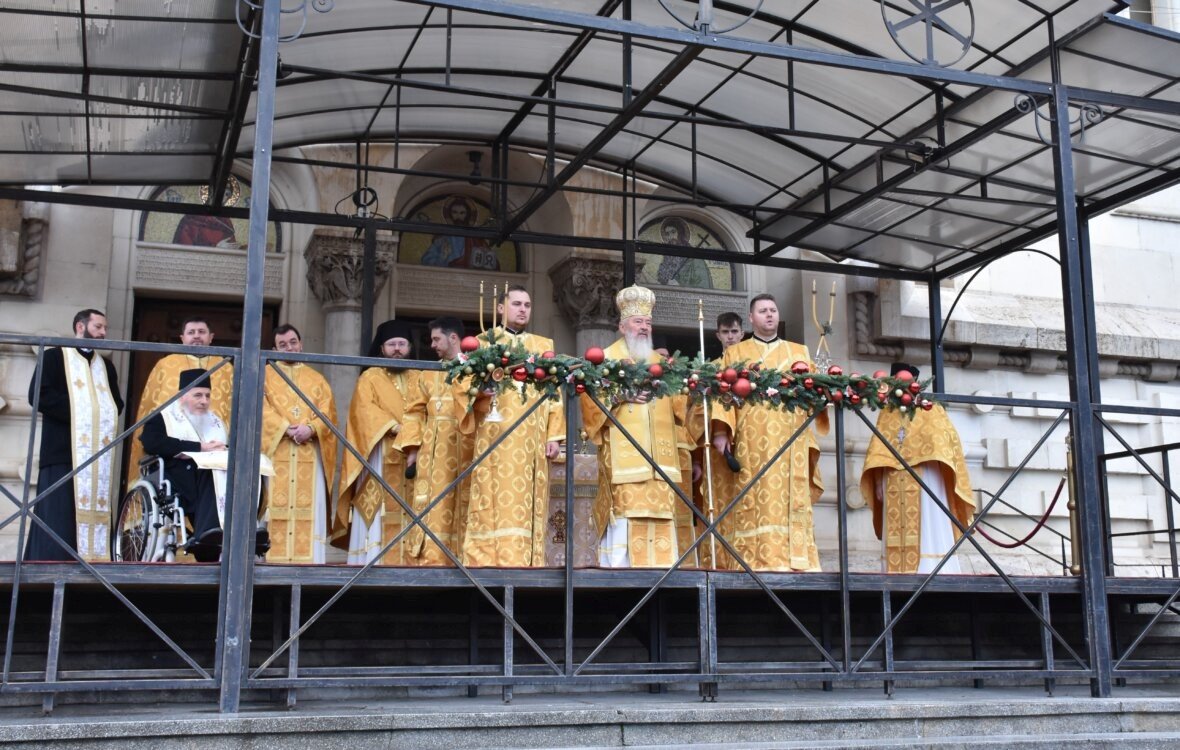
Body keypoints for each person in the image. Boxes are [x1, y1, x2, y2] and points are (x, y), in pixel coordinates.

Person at [711, 294, 830, 571]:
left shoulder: (799, 351)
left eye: (773, 310)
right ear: (751, 319)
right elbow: (725, 393)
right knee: (754, 494)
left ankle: (794, 559)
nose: (769, 315)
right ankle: (752, 559)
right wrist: (720, 430)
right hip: (751, 437)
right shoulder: (735, 353)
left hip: (792, 437)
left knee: (789, 495)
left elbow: (814, 393)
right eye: (762, 311)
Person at [457, 285, 565, 566]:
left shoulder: (543, 346)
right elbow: (462, 386)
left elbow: (555, 395)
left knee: (528, 499)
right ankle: (488, 558)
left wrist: (554, 435)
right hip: (496, 434)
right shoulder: (484, 342)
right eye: (516, 304)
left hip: (533, 436)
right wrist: (482, 392)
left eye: (527, 305)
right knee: (493, 493)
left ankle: (527, 560)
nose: (522, 309)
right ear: (501, 308)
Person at [582, 286, 688, 568]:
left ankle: (664, 575)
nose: (644, 327)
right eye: (638, 321)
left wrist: (689, 386)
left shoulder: (663, 364)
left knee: (662, 517)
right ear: (622, 325)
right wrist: (620, 396)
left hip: (660, 462)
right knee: (627, 516)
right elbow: (590, 404)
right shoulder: (603, 358)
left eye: (648, 323)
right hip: (624, 464)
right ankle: (620, 575)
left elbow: (681, 410)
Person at [25, 309, 123, 562]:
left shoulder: (106, 367)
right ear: (80, 326)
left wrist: (95, 413)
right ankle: (51, 565)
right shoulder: (55, 357)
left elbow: (116, 405)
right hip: (61, 451)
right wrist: (83, 413)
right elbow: (39, 396)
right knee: (57, 513)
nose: (103, 333)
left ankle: (94, 564)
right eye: (98, 327)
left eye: (104, 328)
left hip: (96, 456)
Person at [859, 363, 975, 574]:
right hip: (892, 478)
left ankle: (933, 569)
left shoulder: (931, 409)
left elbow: (948, 446)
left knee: (928, 524)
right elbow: (878, 451)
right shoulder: (887, 412)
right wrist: (877, 483)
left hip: (928, 478)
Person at [333, 320, 419, 565]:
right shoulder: (370, 377)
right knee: (379, 507)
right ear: (381, 348)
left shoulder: (421, 375)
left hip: (415, 451)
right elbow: (363, 411)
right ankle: (374, 559)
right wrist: (392, 426)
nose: (397, 349)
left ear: (410, 347)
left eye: (402, 344)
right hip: (381, 451)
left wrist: (413, 430)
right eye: (392, 344)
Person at [398, 317, 474, 566]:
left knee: (463, 499)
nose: (432, 345)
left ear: (453, 338)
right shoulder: (428, 373)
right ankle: (432, 558)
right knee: (434, 503)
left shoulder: (475, 369)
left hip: (465, 446)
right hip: (432, 449)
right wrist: (412, 448)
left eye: (436, 339)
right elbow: (413, 411)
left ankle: (462, 556)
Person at [126, 316, 234, 489]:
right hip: (175, 454)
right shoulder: (166, 364)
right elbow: (151, 405)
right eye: (191, 332)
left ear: (211, 337)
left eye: (201, 332)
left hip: (215, 452)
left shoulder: (226, 367)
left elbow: (233, 408)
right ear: (182, 338)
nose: (196, 336)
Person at [260, 325, 338, 564]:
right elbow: (259, 409)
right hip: (275, 452)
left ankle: (310, 562)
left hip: (309, 455)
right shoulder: (264, 375)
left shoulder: (317, 379)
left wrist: (312, 428)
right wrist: (285, 427)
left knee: (309, 508)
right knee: (271, 505)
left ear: (301, 343)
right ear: (274, 349)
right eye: (283, 345)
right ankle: (269, 559)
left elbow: (329, 414)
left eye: (293, 342)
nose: (289, 348)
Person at [139, 369, 229, 562]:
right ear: (182, 396)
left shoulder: (216, 422)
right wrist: (199, 448)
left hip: (210, 477)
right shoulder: (163, 417)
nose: (204, 401)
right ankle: (207, 534)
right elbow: (152, 443)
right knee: (209, 471)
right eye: (198, 395)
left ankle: (248, 530)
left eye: (207, 396)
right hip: (177, 477)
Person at [690, 311, 745, 568]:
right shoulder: (710, 369)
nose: (731, 337)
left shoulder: (752, 367)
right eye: (726, 332)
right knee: (718, 505)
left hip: (745, 444)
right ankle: (718, 560)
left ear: (742, 333)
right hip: (715, 451)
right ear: (717, 335)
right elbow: (694, 416)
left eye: (734, 332)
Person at [420, 195, 499, 271]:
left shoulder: (476, 239)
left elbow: (492, 263)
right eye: (455, 212)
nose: (458, 216)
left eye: (462, 213)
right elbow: (427, 259)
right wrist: (442, 258)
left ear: (467, 215)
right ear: (450, 214)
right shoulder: (442, 238)